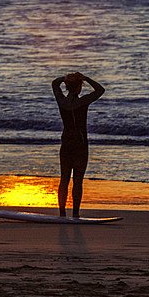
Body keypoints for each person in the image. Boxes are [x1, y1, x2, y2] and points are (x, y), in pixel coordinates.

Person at [52, 71, 105, 218]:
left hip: (66, 143)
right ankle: (75, 214)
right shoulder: (83, 101)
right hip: (80, 144)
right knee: (77, 181)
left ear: (68, 87)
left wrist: (65, 79)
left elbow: (54, 83)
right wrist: (85, 78)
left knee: (64, 179)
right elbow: (100, 90)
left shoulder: (61, 101)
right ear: (79, 88)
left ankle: (62, 213)